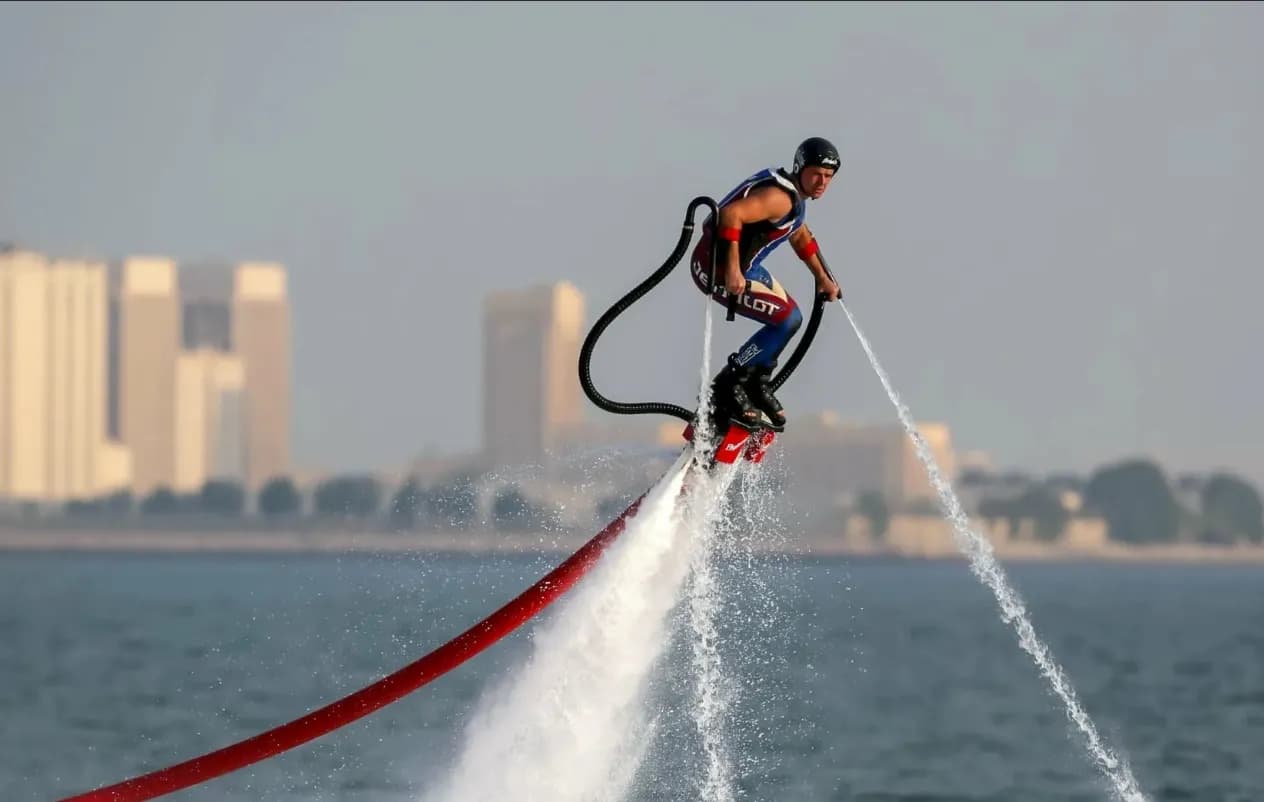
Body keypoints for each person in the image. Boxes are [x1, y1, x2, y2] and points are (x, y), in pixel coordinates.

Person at [689, 136, 843, 431]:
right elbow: (731, 215)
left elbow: (798, 234)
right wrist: (733, 270)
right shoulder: (780, 198)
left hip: (746, 268)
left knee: (791, 317)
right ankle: (727, 385)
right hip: (715, 271)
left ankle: (755, 383)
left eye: (828, 177)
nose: (822, 182)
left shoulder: (794, 198)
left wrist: (822, 278)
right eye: (816, 174)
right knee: (787, 320)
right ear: (800, 168)